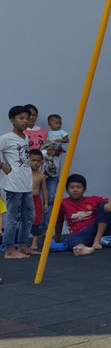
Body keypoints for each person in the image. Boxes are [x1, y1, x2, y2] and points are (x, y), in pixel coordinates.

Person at [0, 105, 36, 259]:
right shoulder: (6, 138)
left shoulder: (25, 137)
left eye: (27, 118)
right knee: (13, 217)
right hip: (13, 184)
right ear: (12, 120)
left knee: (29, 216)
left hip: (26, 183)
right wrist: (3, 166)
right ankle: (9, 250)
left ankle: (22, 245)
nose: (25, 121)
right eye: (21, 118)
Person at [51, 174, 111, 255]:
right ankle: (81, 248)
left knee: (105, 205)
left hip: (97, 230)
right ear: (66, 190)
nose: (75, 190)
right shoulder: (63, 203)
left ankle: (96, 241)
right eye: (72, 187)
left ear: (84, 189)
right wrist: (57, 238)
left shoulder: (92, 199)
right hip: (79, 234)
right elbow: (59, 222)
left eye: (78, 187)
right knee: (55, 246)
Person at [29, 149, 48, 251]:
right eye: (33, 160)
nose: (36, 163)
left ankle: (34, 242)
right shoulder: (25, 173)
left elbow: (44, 190)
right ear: (28, 160)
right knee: (24, 220)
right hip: (26, 199)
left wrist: (45, 203)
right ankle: (21, 241)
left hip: (36, 200)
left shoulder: (41, 175)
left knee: (36, 221)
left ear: (42, 162)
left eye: (38, 161)